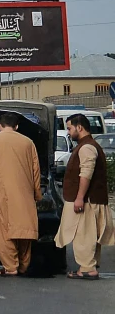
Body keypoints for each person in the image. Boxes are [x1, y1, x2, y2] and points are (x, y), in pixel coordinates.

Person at [0, 112, 42, 275]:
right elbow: (36, 170)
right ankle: (23, 265)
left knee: (4, 232)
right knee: (24, 230)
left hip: (2, 192)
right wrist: (37, 194)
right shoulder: (28, 142)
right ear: (17, 126)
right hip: (25, 193)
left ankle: (11, 267)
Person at [56, 113, 113, 279]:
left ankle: (88, 269)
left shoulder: (87, 147)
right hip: (92, 198)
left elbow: (86, 174)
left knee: (84, 235)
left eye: (69, 128)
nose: (68, 132)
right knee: (89, 235)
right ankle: (88, 267)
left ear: (79, 127)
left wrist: (80, 197)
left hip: (87, 200)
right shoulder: (88, 145)